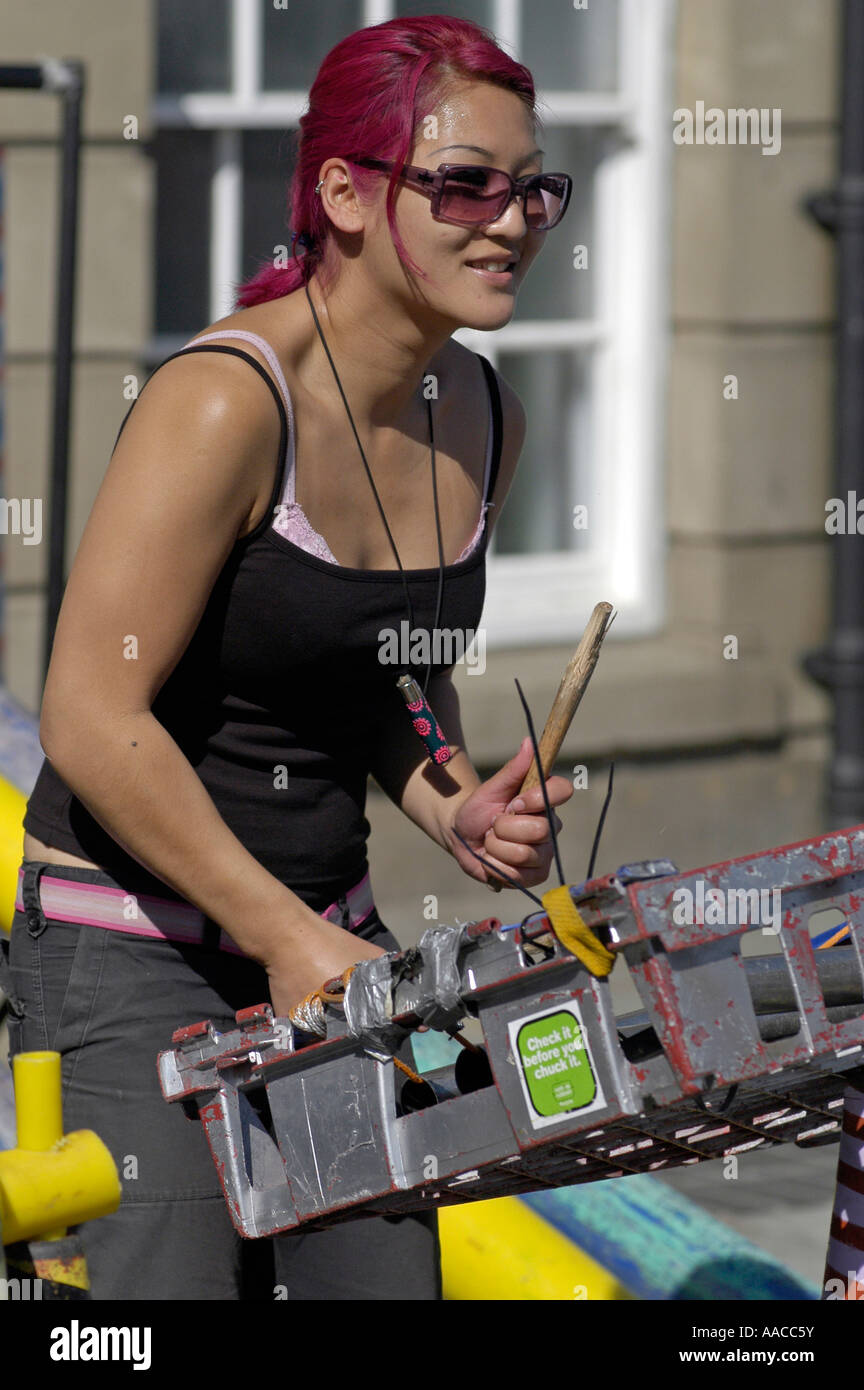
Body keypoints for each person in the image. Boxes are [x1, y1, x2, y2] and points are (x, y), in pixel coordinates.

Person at [0, 13, 574, 1300]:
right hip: (135, 949)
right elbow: (90, 713)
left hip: (327, 945)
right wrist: (281, 934)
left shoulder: (484, 412)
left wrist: (451, 794)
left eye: (534, 185)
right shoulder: (222, 399)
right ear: (346, 194)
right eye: (467, 182)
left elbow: (391, 674)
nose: (513, 219)